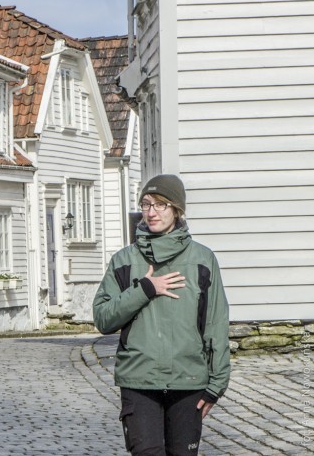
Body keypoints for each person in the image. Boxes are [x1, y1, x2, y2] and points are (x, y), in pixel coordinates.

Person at [93, 174, 230, 456]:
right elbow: (103, 318)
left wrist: (216, 386)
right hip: (139, 382)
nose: (152, 212)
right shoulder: (124, 260)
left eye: (161, 205)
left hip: (188, 382)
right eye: (146, 204)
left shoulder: (202, 260)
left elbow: (215, 324)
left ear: (177, 210)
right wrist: (145, 288)